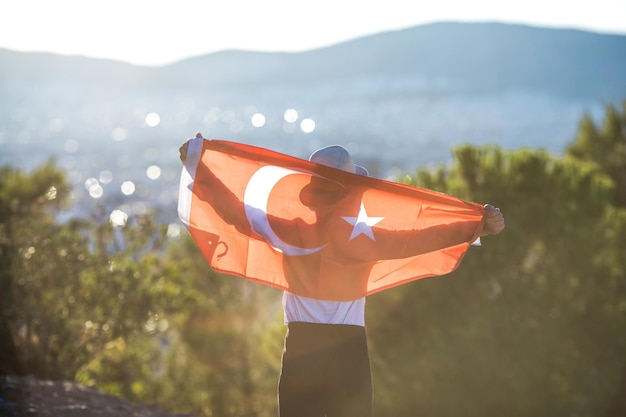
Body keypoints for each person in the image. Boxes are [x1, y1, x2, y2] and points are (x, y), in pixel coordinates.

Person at [179, 135, 505, 417]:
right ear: (352, 193)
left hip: (301, 351)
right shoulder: (367, 239)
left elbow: (235, 212)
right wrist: (477, 225)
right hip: (349, 353)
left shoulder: (288, 232)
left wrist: (200, 167)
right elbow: (421, 235)